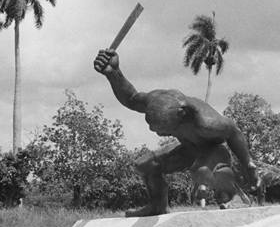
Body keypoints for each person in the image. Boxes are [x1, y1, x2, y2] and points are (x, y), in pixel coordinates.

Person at [93, 49, 259, 216]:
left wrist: (248, 164)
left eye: (165, 131)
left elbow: (234, 132)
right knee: (146, 165)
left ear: (181, 116)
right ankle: (157, 206)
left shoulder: (207, 123)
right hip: (188, 148)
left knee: (201, 171)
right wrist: (113, 74)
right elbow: (131, 98)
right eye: (156, 130)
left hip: (213, 150)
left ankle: (235, 195)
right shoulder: (156, 99)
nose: (160, 135)